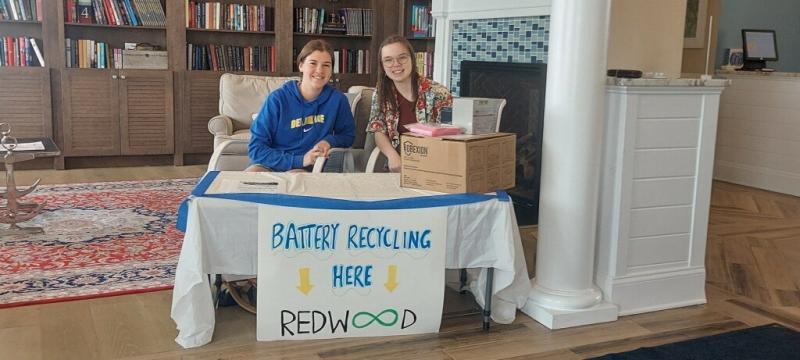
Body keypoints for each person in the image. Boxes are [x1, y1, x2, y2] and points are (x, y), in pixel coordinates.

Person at [247, 39, 355, 172]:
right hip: (271, 164)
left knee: (296, 179)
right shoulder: (277, 99)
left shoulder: (338, 100)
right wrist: (299, 160)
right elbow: (256, 149)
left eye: (326, 65)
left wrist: (329, 141)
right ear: (301, 65)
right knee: (249, 177)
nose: (319, 70)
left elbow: (348, 136)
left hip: (304, 169)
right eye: (313, 63)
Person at [366, 35, 453, 172]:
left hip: (434, 163)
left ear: (412, 59)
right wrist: (392, 155)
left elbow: (450, 135)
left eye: (402, 57)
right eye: (388, 60)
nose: (396, 64)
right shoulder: (381, 92)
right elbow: (378, 129)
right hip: (398, 166)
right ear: (382, 66)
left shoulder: (439, 93)